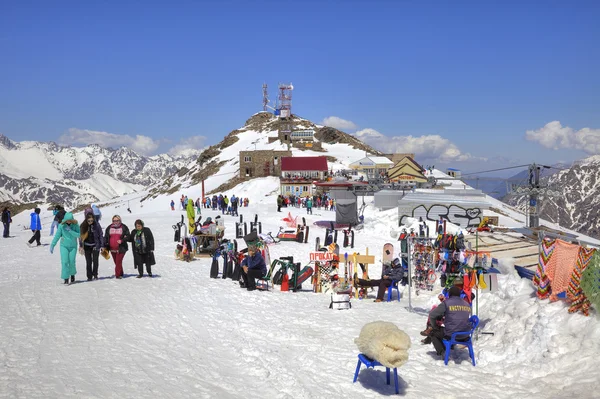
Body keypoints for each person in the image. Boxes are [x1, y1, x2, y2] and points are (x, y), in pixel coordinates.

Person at [422, 285, 472, 357]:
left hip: (452, 335)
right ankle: (450, 346)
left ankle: (442, 352)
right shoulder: (466, 304)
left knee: (433, 332)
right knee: (454, 326)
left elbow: (432, 315)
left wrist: (434, 326)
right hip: (465, 335)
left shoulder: (447, 303)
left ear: (449, 294)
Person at [50, 212, 79, 285]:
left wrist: (70, 231)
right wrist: (52, 245)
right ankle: (66, 278)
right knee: (65, 262)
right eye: (67, 220)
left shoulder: (75, 225)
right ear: (65, 220)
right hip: (64, 246)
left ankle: (72, 274)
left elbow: (79, 235)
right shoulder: (61, 226)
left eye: (70, 220)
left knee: (72, 261)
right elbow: (57, 236)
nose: (68, 221)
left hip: (73, 246)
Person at [79, 211, 104, 281]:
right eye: (89, 220)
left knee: (95, 261)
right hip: (87, 246)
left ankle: (95, 274)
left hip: (95, 245)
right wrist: (81, 245)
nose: (90, 222)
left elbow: (101, 235)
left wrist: (102, 245)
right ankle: (89, 276)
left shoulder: (97, 225)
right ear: (86, 219)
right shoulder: (83, 225)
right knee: (88, 262)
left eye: (91, 220)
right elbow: (80, 237)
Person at [104, 215, 130, 279]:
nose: (115, 222)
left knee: (118, 261)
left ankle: (117, 275)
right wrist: (105, 244)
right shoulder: (109, 227)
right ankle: (121, 272)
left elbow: (128, 236)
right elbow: (106, 237)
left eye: (117, 220)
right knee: (117, 262)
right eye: (114, 221)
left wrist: (122, 240)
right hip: (112, 248)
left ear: (120, 220)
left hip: (121, 248)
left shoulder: (123, 227)